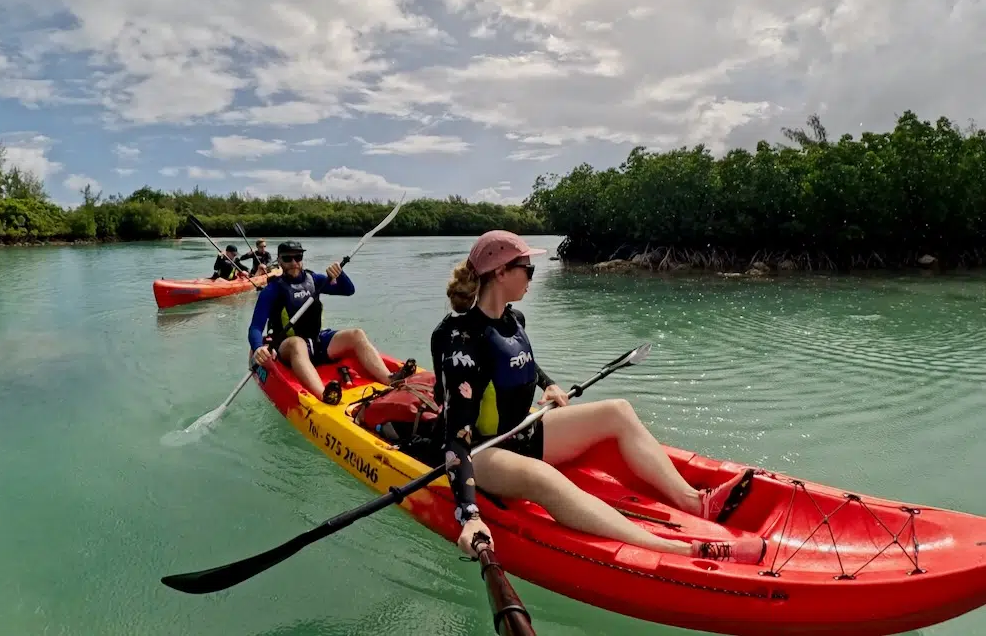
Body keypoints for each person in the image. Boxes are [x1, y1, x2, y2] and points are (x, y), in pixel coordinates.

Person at [430, 230, 767, 565]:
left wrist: (546, 383)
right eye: (527, 269)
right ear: (500, 272)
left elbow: (513, 360)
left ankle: (695, 502)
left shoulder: (512, 319)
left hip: (522, 430)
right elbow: (456, 440)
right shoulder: (463, 344)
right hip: (482, 450)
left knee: (617, 411)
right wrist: (469, 516)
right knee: (545, 477)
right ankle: (678, 549)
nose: (533, 275)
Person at [248, 239, 416, 404]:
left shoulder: (314, 280)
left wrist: (339, 274)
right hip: (288, 347)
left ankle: (389, 379)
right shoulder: (272, 290)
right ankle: (324, 394)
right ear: (279, 261)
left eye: (297, 258)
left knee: (356, 334)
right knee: (297, 343)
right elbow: (255, 327)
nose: (293, 263)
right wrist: (257, 348)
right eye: (287, 259)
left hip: (316, 341)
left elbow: (348, 290)